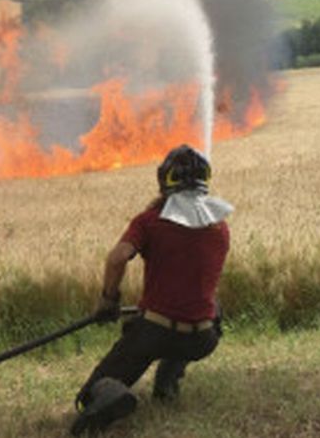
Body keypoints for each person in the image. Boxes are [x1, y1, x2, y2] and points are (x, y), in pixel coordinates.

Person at [70, 144, 233, 435]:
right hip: (203, 339)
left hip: (156, 335)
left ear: (164, 181)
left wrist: (108, 300)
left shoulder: (150, 222)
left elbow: (118, 258)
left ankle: (114, 395)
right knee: (211, 305)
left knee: (90, 395)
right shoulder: (220, 227)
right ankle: (167, 383)